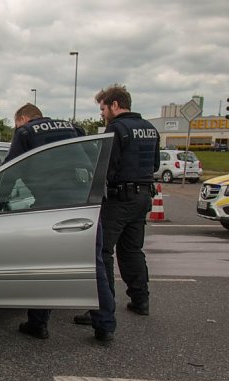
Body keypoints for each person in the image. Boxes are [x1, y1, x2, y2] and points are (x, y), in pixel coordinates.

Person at [4, 104, 114, 342]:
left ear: (23, 118)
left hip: (50, 207)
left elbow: (10, 171)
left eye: (16, 124)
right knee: (94, 265)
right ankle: (105, 326)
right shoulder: (73, 129)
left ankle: (38, 324)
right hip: (86, 203)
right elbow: (93, 160)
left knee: (44, 265)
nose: (16, 128)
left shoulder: (26, 133)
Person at [75, 85, 160, 330]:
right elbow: (155, 165)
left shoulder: (117, 129)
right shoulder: (150, 128)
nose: (102, 114)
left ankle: (104, 307)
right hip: (143, 197)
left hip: (119, 198)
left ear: (114, 105)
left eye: (103, 109)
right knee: (132, 250)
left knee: (103, 253)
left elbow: (106, 168)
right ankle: (141, 300)